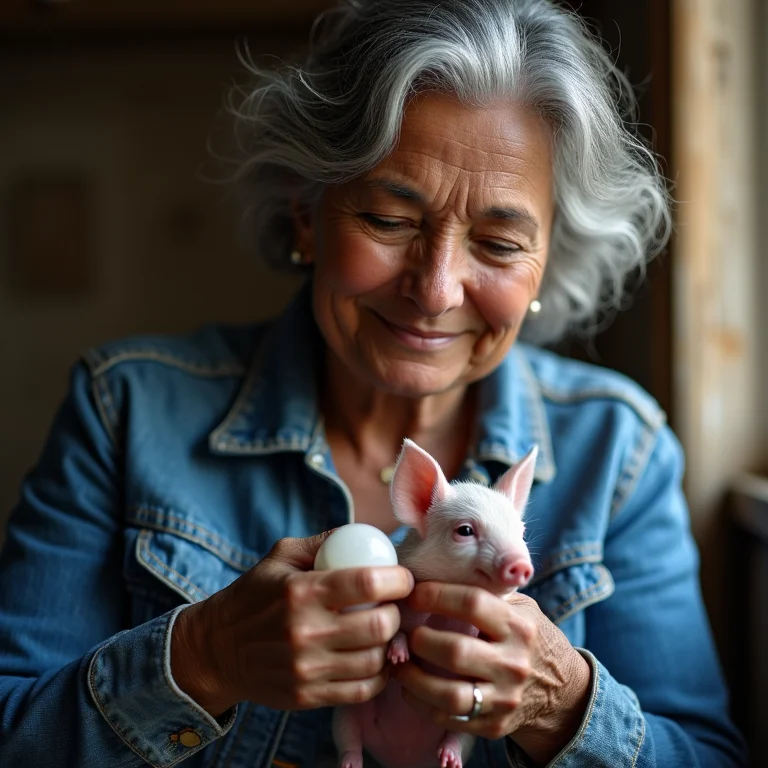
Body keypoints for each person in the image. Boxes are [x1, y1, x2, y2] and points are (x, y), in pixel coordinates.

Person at [0, 0, 748, 766]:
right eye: (390, 221)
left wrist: (560, 704)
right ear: (305, 214)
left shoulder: (618, 453)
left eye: (497, 242)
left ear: (545, 267)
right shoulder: (125, 411)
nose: (436, 289)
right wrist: (205, 655)